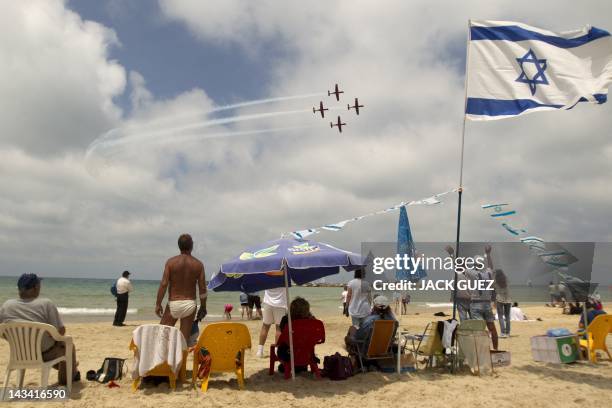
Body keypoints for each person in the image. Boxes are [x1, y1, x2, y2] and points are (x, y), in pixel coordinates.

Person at [0, 274, 80, 385]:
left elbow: (2, 331)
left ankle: (72, 368)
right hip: (45, 354)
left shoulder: (7, 306)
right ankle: (69, 376)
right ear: (35, 288)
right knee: (67, 346)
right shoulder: (46, 304)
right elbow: (60, 332)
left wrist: (14, 339)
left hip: (19, 354)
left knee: (59, 347)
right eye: (39, 285)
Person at [156, 234, 207, 342]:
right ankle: (180, 358)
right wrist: (203, 306)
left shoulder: (171, 262)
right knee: (183, 341)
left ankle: (164, 358)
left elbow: (164, 284)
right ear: (191, 246)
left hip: (173, 303)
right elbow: (202, 288)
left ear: (179, 246)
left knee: (162, 338)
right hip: (190, 304)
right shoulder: (198, 264)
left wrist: (158, 303)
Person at [466, 245, 499, 350]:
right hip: (487, 305)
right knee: (492, 328)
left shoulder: (473, 273)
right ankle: (496, 349)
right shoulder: (488, 274)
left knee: (479, 329)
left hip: (476, 304)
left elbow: (459, 267)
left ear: (475, 264)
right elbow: (491, 266)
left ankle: (483, 350)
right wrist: (488, 254)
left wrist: (452, 256)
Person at [276, 297, 316, 373]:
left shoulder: (286, 319)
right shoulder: (312, 320)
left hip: (287, 353)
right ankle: (301, 366)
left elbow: (282, 333)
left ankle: (290, 366)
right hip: (306, 353)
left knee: (285, 345)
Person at [256, 287, 287, 357]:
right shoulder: (283, 276)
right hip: (280, 304)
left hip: (268, 303)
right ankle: (277, 350)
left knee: (265, 326)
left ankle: (260, 351)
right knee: (279, 328)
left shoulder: (267, 276)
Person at [445, 245, 471, 321]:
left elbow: (453, 287)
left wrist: (452, 253)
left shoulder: (460, 273)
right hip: (469, 299)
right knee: (471, 318)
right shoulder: (470, 273)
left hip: (461, 299)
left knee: (463, 319)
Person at [493, 268, 512, 337]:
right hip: (508, 299)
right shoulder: (506, 279)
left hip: (499, 299)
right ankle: (508, 333)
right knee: (507, 317)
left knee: (500, 317)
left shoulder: (495, 281)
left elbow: (492, 288)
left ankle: (503, 333)